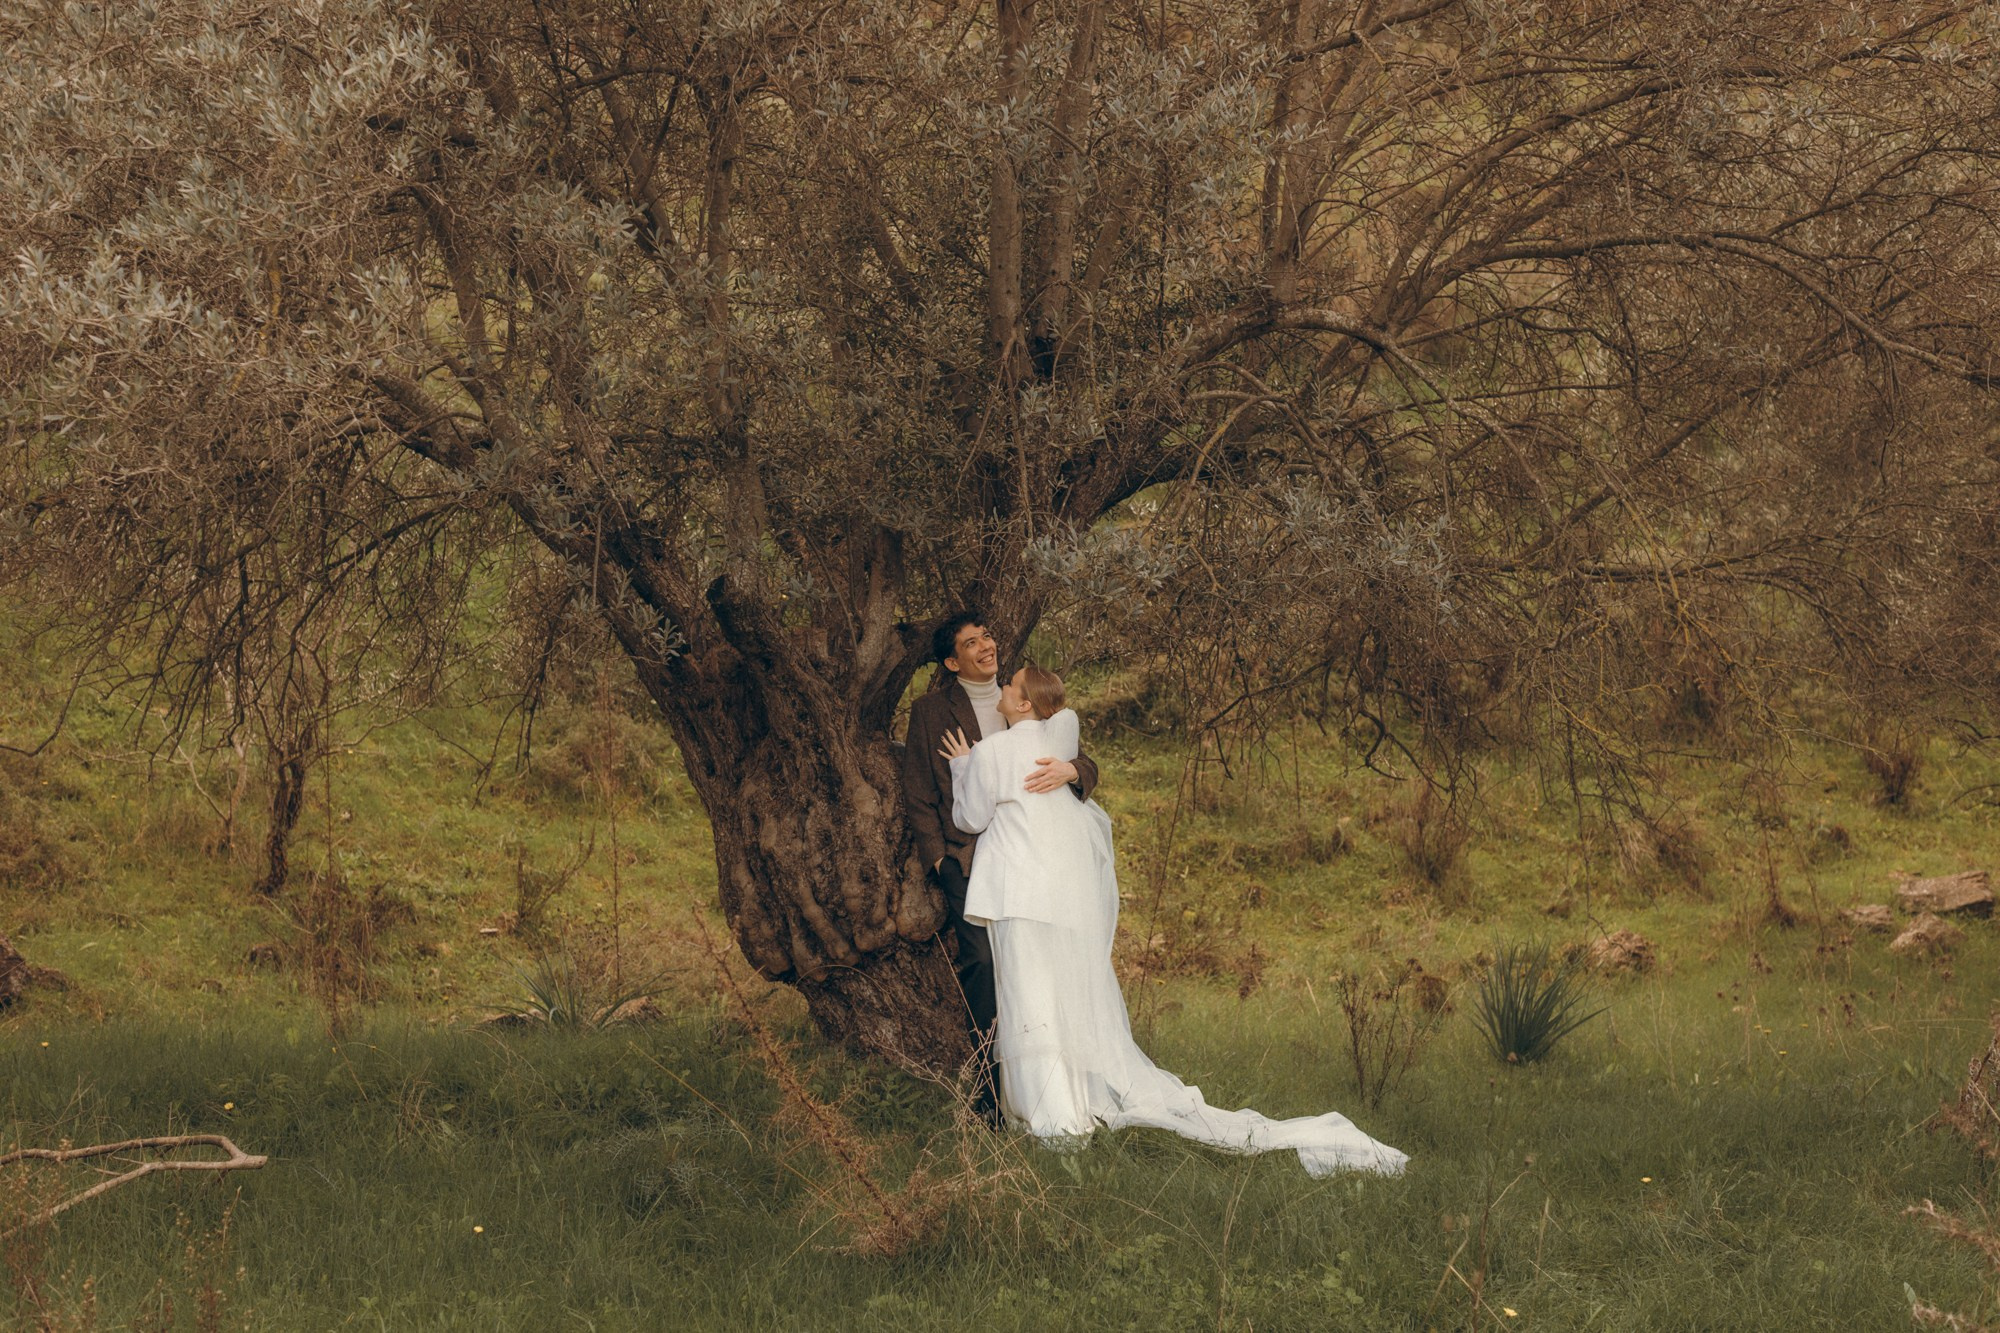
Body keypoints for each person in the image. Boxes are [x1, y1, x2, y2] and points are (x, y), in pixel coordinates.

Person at [939, 666, 1407, 1177]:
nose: (1003, 688)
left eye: (1011, 686)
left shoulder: (991, 754)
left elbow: (969, 819)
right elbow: (1067, 722)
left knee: (1029, 998)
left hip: (1017, 891)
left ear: (1024, 703)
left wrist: (964, 766)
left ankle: (1050, 1115)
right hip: (1054, 893)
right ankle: (1065, 1100)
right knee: (1059, 996)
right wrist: (1071, 768)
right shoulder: (1058, 736)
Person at [900, 613, 1099, 1123]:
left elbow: (1085, 759)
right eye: (971, 643)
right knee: (985, 970)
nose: (986, 646)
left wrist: (1074, 769)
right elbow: (919, 794)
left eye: (987, 635)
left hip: (1032, 863)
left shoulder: (1024, 696)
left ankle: (1051, 1083)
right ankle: (989, 1098)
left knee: (1035, 970)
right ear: (952, 661)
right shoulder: (930, 712)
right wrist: (940, 860)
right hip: (968, 864)